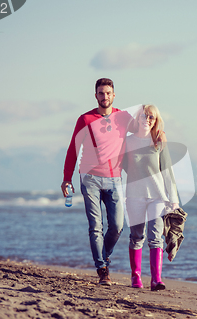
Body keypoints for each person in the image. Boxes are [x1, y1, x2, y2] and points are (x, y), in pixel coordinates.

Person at [61, 78, 135, 286]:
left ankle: (103, 255)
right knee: (96, 226)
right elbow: (72, 150)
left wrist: (159, 133)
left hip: (114, 179)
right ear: (96, 96)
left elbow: (143, 130)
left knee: (118, 226)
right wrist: (67, 179)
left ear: (114, 95)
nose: (105, 97)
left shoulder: (123, 118)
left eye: (108, 93)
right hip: (90, 178)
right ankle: (102, 269)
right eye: (101, 93)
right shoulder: (85, 119)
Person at [123, 105, 179, 291]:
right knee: (136, 236)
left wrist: (173, 198)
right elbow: (120, 165)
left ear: (155, 121)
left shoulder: (158, 141)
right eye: (144, 116)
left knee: (156, 237)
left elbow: (167, 169)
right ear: (138, 118)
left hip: (157, 196)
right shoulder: (128, 142)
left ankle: (156, 280)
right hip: (134, 196)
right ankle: (136, 278)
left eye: (151, 117)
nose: (147, 119)